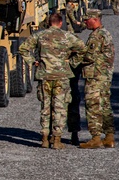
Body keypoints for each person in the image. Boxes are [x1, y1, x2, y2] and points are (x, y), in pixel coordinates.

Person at [18, 12, 87, 149]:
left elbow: (23, 48)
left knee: (46, 107)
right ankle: (57, 140)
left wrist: (33, 62)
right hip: (61, 76)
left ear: (49, 23)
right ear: (60, 23)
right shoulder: (67, 36)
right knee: (59, 108)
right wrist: (72, 62)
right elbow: (82, 49)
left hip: (45, 76)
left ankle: (44, 138)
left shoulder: (40, 35)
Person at [79, 9, 116, 148]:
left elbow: (89, 56)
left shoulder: (96, 36)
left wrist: (73, 59)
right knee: (105, 105)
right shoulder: (106, 33)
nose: (85, 22)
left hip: (95, 76)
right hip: (105, 76)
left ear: (94, 19)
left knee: (93, 105)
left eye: (86, 20)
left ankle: (95, 138)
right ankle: (109, 136)